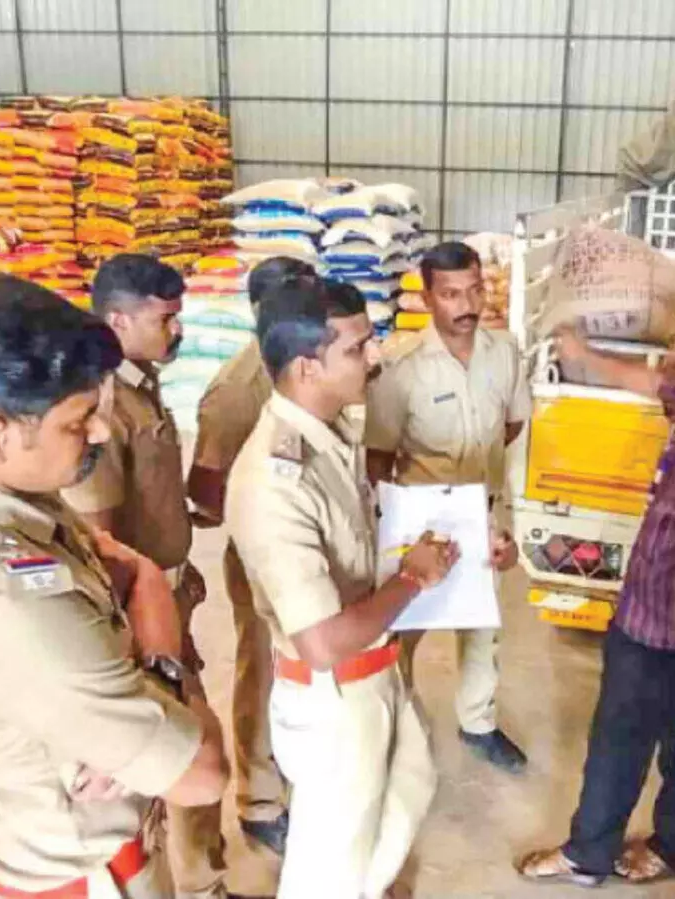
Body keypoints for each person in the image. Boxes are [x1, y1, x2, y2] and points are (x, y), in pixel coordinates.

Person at [0, 273, 228, 899]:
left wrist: (144, 602)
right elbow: (202, 775)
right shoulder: (10, 604)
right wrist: (167, 674)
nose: (99, 433)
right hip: (87, 878)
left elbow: (131, 567)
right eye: (76, 422)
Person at [517, 294, 675, 886]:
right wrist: (583, 353)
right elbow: (648, 380)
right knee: (615, 737)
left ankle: (674, 846)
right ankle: (589, 852)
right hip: (641, 611)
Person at [226, 279, 450, 899]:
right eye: (356, 348)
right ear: (306, 366)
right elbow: (323, 642)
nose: (373, 358)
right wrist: (413, 577)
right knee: (329, 872)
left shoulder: (331, 432)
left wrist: (456, 554)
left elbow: (356, 548)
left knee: (410, 784)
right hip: (334, 697)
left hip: (375, 674)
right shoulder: (276, 479)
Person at [59, 253, 230, 899]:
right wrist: (141, 646)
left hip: (168, 592)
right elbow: (100, 542)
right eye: (166, 318)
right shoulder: (103, 407)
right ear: (119, 318)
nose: (177, 329)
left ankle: (204, 879)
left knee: (192, 743)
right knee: (179, 752)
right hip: (139, 612)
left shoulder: (143, 381)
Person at [364, 241, 529, 772]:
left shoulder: (505, 353)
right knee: (403, 628)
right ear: (428, 297)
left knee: (484, 628)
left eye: (475, 289)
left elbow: (511, 425)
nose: (467, 305)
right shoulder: (401, 367)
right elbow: (379, 455)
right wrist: (390, 529)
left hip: (483, 514)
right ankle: (393, 723)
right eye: (451, 293)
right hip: (420, 519)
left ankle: (477, 723)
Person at [185, 256, 318, 861]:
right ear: (261, 311)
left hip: (312, 543)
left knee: (308, 666)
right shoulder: (237, 392)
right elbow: (205, 494)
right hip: (261, 555)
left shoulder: (312, 368)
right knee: (262, 669)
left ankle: (301, 772)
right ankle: (260, 801)